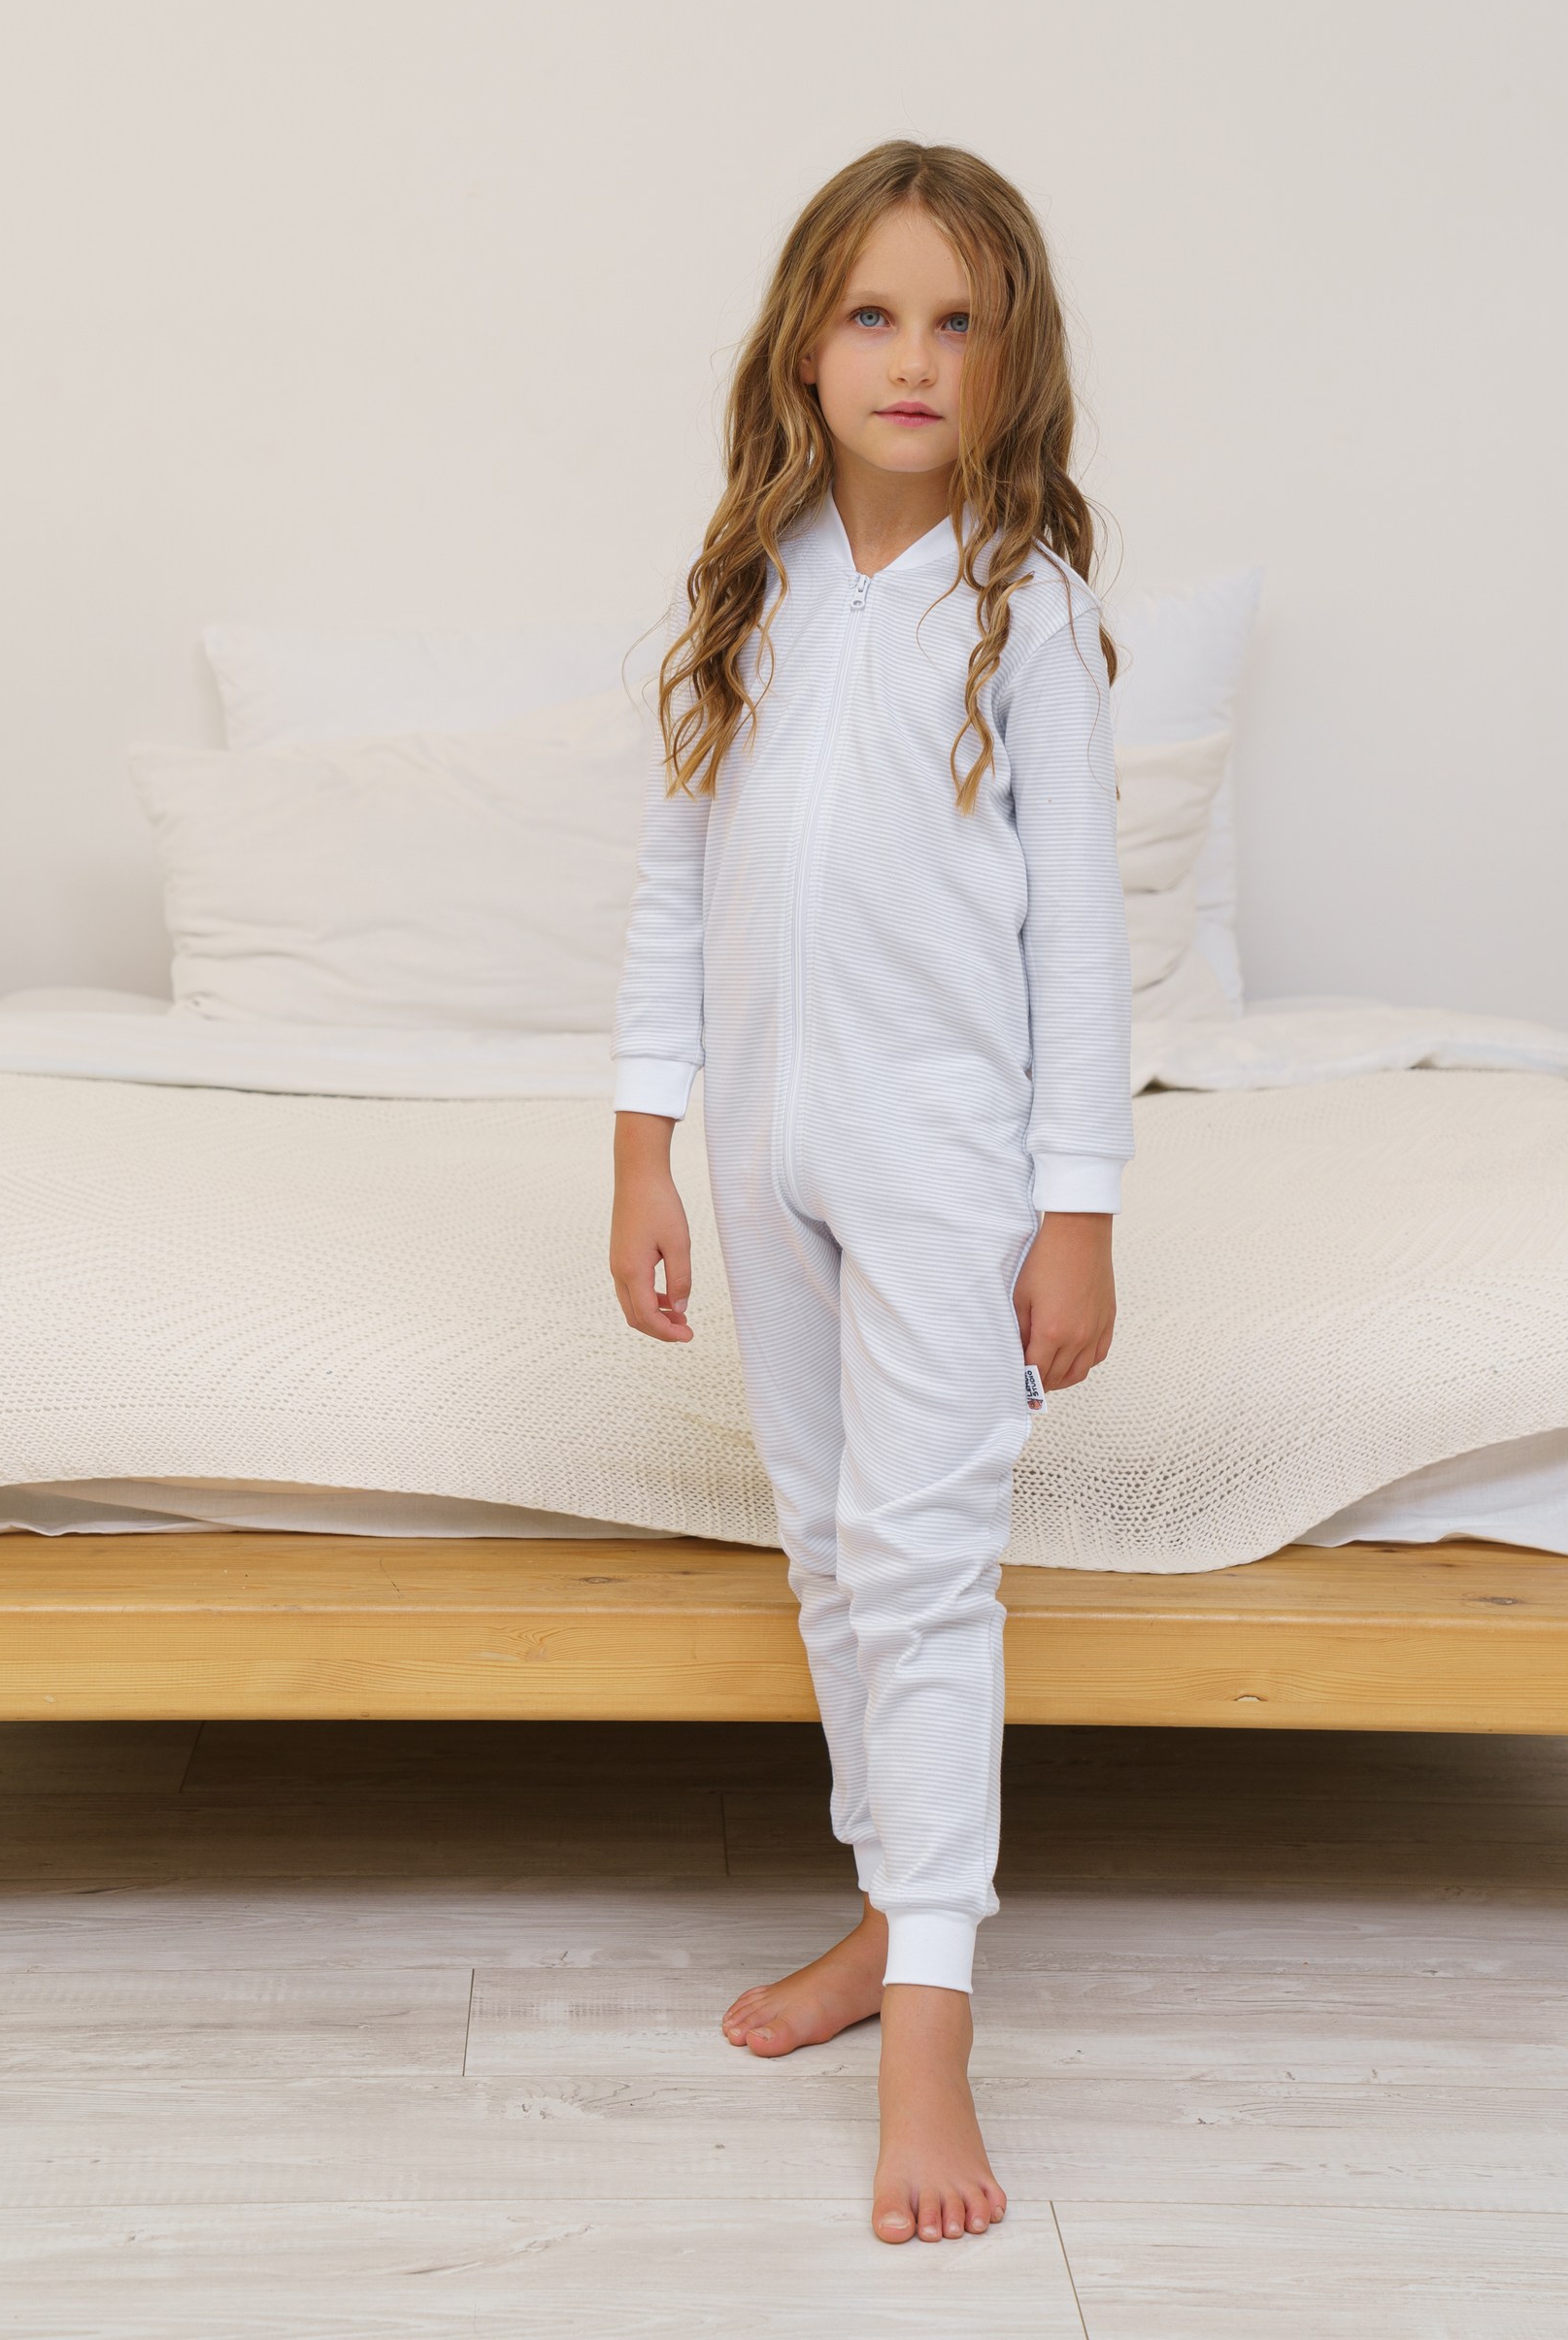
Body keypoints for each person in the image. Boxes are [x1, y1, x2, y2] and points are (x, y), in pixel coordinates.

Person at [608, 140, 1133, 2246]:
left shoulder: (1027, 610)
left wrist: (1076, 1207)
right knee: (832, 1551)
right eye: (874, 314)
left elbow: (1079, 938)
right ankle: (884, 1909)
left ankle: (933, 2021)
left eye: (958, 321)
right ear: (806, 349)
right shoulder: (746, 590)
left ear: (1013, 362)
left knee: (921, 1567)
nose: (913, 357)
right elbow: (675, 890)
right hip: (764, 1149)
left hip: (942, 1160)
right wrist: (642, 1142)